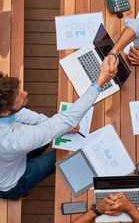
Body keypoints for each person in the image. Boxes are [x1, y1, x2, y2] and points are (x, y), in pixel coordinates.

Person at [0, 60, 117, 199]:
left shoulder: (5, 110)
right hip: (12, 182)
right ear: (5, 113)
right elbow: (68, 119)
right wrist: (100, 82)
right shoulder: (14, 140)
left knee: (50, 137)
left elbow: (21, 113)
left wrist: (55, 126)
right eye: (19, 96)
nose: (25, 93)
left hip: (10, 158)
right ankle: (20, 192)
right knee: (66, 156)